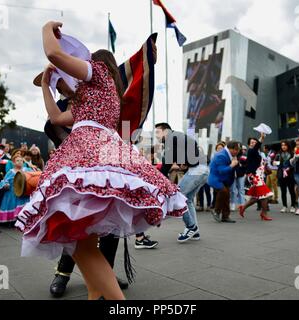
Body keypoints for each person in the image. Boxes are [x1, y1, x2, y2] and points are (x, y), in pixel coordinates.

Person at [15, 21, 186, 300]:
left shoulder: (101, 73)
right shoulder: (91, 96)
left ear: (98, 63)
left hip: (90, 148)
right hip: (95, 147)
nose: (83, 63)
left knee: (80, 241)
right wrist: (45, 85)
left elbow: (55, 55)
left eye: (88, 59)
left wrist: (46, 29)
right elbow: (57, 118)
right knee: (82, 238)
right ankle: (97, 294)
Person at [155, 122, 208, 242]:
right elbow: (192, 144)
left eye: (158, 132)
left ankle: (191, 227)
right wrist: (186, 160)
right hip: (202, 169)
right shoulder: (178, 136)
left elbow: (166, 164)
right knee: (187, 200)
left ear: (165, 131)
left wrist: (159, 178)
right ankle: (195, 232)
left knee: (178, 197)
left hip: (197, 170)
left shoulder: (171, 138)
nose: (157, 136)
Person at [238, 132, 274, 221]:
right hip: (254, 176)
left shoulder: (257, 153)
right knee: (265, 195)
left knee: (255, 198)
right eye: (252, 142)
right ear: (249, 144)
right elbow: (258, 145)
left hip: (259, 175)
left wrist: (265, 169)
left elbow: (260, 163)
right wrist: (261, 137)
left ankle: (242, 208)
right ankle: (264, 213)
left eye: (255, 142)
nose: (254, 143)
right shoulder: (251, 151)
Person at [208, 141, 240, 223]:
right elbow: (221, 171)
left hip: (224, 180)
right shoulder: (221, 155)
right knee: (223, 192)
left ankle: (225, 216)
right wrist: (232, 165)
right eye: (236, 149)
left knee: (226, 196)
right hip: (216, 179)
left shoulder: (231, 155)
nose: (238, 151)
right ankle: (216, 211)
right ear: (231, 149)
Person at [276, 140, 297, 213]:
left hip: (290, 174)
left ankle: (293, 206)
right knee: (283, 191)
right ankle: (284, 206)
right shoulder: (279, 154)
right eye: (282, 145)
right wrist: (277, 164)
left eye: (285, 145)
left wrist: (289, 168)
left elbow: (294, 164)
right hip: (282, 174)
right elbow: (275, 162)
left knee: (292, 191)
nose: (283, 146)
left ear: (288, 146)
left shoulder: (292, 153)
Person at [230, 143, 246, 211]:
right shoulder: (230, 155)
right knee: (233, 190)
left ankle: (242, 204)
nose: (237, 150)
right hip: (232, 174)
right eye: (236, 148)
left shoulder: (242, 156)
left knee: (241, 189)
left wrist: (241, 166)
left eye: (239, 148)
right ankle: (233, 203)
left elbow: (246, 164)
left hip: (241, 174)